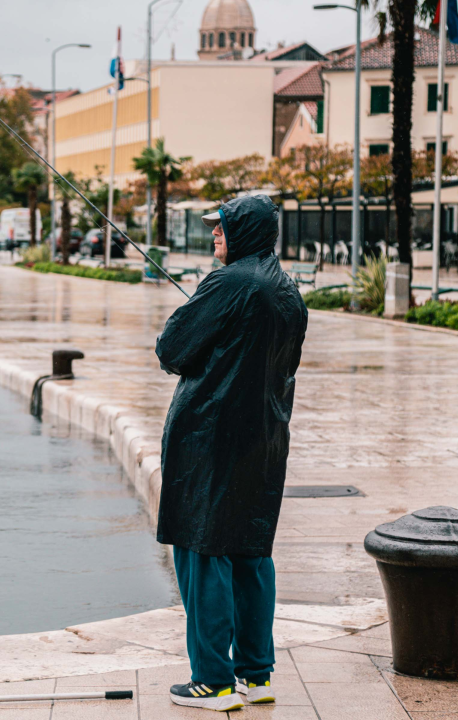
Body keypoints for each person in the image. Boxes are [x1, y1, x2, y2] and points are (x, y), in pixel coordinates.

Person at [155, 194, 307, 713]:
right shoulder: (289, 292)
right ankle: (255, 676)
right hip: (262, 442)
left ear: (244, 231)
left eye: (220, 228)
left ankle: (213, 682)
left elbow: (171, 350)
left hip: (209, 441)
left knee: (202, 551)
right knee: (250, 553)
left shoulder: (227, 283)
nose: (214, 235)